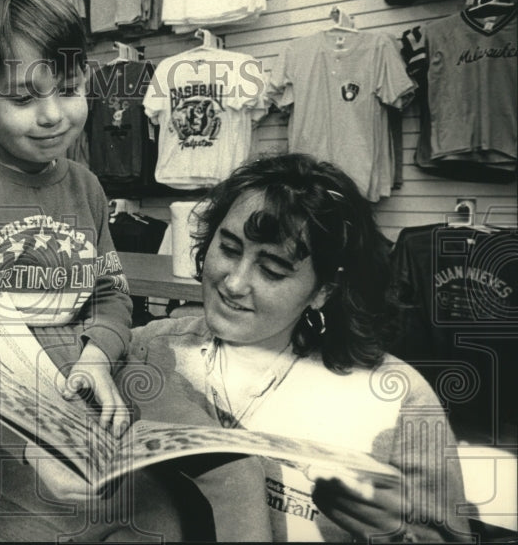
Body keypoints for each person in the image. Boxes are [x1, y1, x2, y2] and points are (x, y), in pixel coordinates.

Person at [0, 0, 269, 541]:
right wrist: (24, 444)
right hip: (5, 423)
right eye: (24, 99)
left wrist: (99, 356)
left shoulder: (87, 186)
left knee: (211, 485)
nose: (53, 115)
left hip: (93, 390)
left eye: (69, 89)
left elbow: (110, 294)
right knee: (101, 515)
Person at [128, 153, 474, 542]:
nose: (235, 283)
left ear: (323, 290)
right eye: (227, 248)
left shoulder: (397, 399)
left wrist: (396, 533)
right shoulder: (150, 347)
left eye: (272, 269)